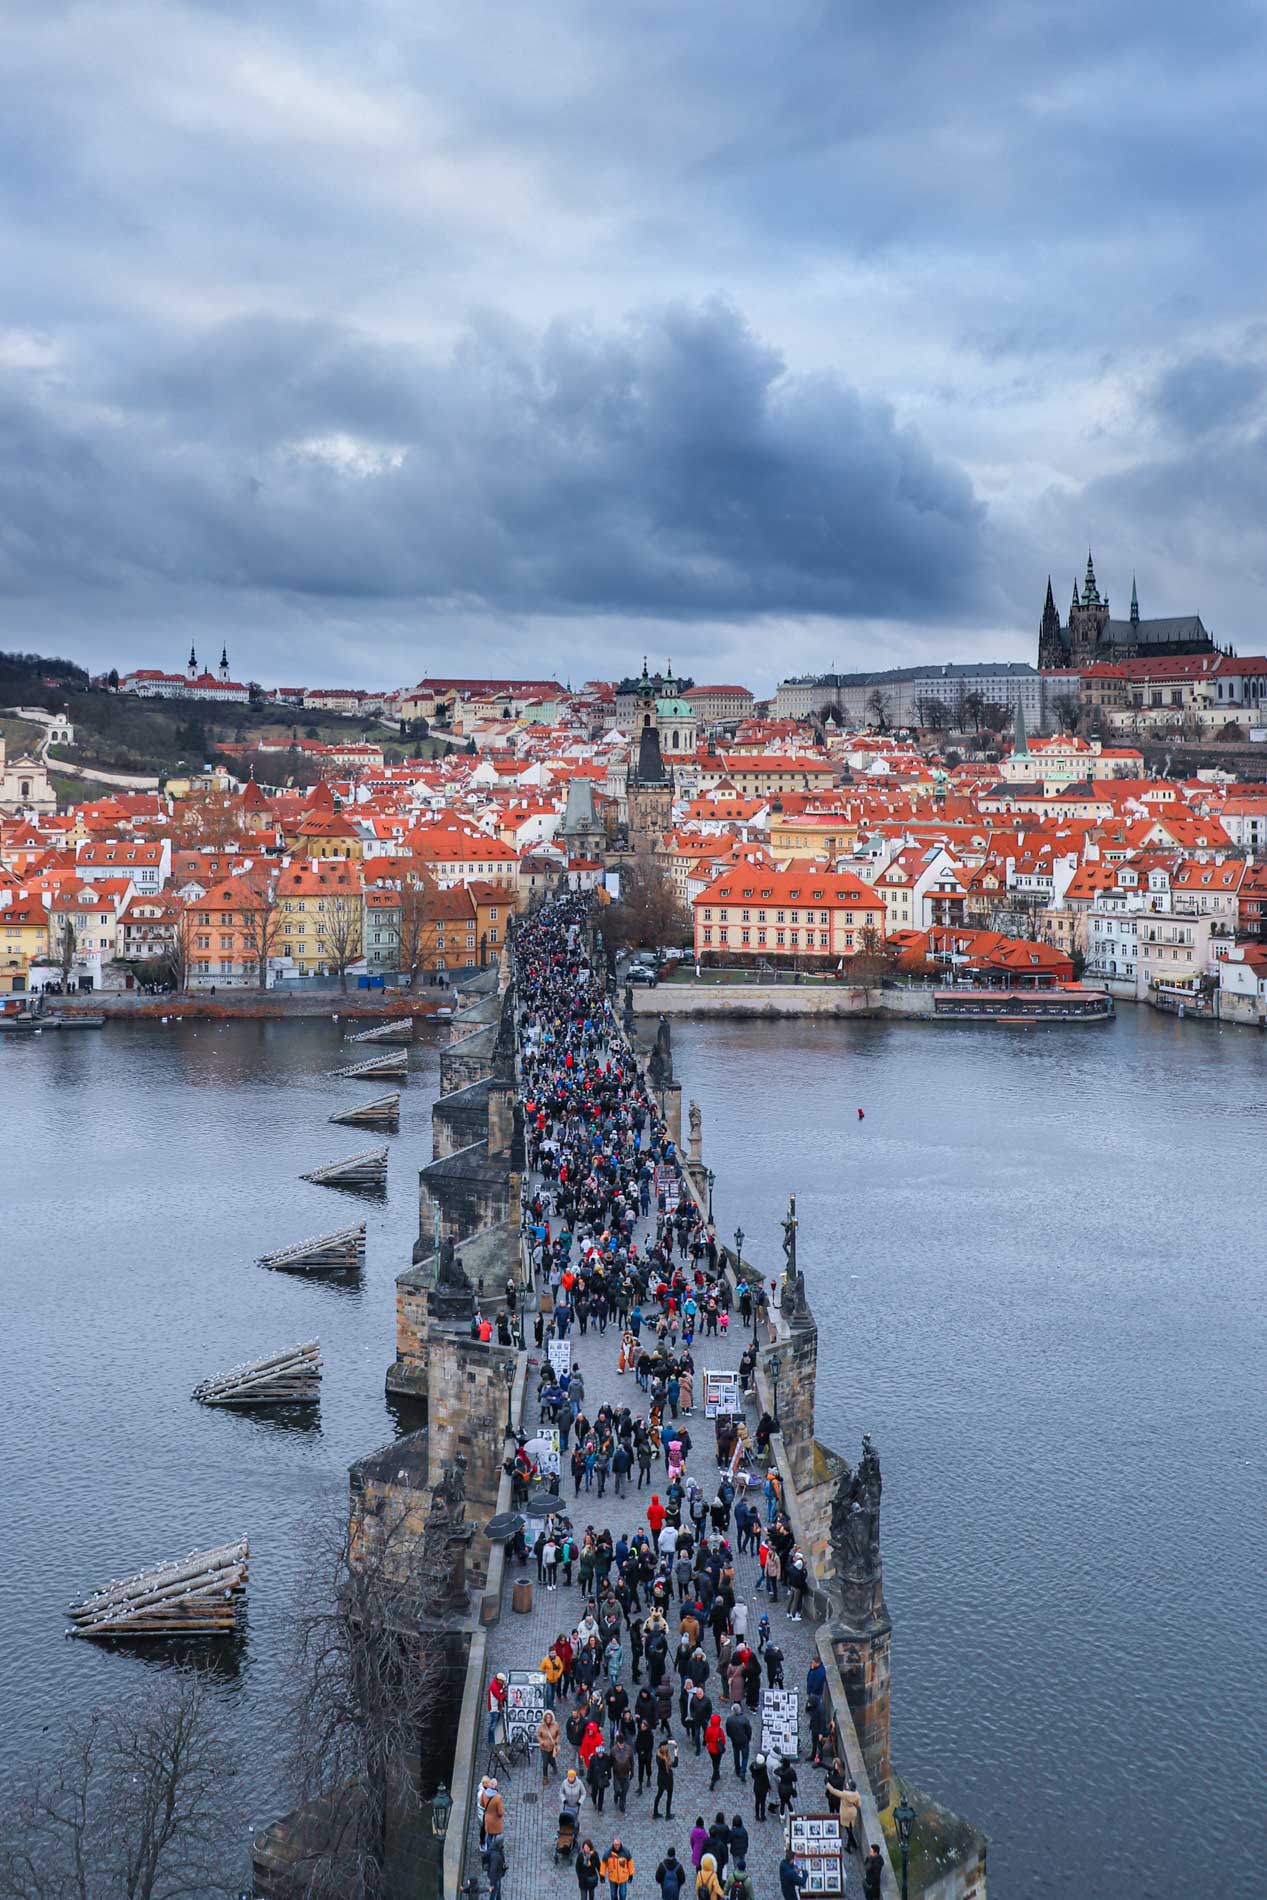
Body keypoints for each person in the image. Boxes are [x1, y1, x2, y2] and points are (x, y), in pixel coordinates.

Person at [724, 1702, 751, 1778]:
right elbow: (749, 1730)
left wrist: (732, 1737)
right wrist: (748, 1738)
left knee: (736, 1756)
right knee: (745, 1757)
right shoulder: (744, 1719)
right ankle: (743, 1771)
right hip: (744, 1741)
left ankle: (737, 1770)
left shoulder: (729, 1719)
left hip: (735, 1741)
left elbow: (728, 1731)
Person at [653, 1736, 677, 1819]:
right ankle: (668, 1814)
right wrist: (676, 1753)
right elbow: (675, 1764)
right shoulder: (665, 1761)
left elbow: (661, 1744)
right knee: (669, 1797)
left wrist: (670, 1742)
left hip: (661, 1779)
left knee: (659, 1795)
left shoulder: (658, 1756)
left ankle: (655, 1812)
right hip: (668, 1780)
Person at [538, 1707, 562, 1783]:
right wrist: (541, 1741)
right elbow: (538, 1735)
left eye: (549, 1717)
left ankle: (554, 1767)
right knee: (545, 1763)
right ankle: (545, 1778)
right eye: (547, 1717)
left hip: (552, 1747)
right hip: (544, 1748)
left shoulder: (555, 1725)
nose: (548, 1719)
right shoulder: (541, 1726)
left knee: (551, 1760)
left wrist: (557, 1740)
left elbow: (558, 1734)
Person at [486, 1834, 507, 1900]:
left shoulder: (495, 1847)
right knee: (494, 1892)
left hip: (498, 1875)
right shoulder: (496, 1857)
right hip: (495, 1878)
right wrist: (492, 1884)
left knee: (498, 1890)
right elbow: (493, 1870)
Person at [751, 1753, 771, 1823]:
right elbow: (766, 1780)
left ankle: (757, 1816)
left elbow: (751, 1767)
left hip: (756, 1787)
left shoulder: (754, 1768)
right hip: (763, 1789)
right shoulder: (764, 1770)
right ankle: (762, 1816)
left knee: (757, 1801)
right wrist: (769, 1787)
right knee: (762, 1803)